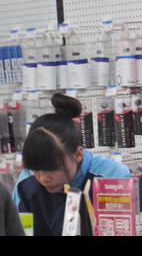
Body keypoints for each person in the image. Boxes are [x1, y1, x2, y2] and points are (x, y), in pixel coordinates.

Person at [12, 93, 131, 236]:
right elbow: (23, 230)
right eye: (36, 168)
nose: (43, 178)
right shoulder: (26, 184)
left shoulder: (111, 177)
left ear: (78, 154)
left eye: (51, 168)